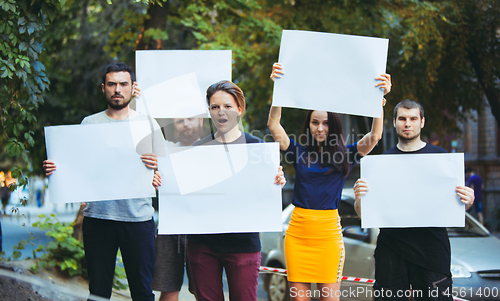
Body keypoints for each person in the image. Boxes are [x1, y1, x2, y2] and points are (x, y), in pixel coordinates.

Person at [267, 63, 392, 301]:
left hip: (329, 236)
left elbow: (375, 137)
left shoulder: (346, 154)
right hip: (297, 235)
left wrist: (379, 102)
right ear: (309, 125)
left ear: (333, 126)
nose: (320, 128)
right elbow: (274, 125)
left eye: (325, 123)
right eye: (315, 122)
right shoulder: (299, 152)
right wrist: (279, 91)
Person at [153, 80, 286, 301]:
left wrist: (278, 180)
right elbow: (182, 197)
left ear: (240, 109)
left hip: (243, 245)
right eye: (215, 107)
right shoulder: (197, 150)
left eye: (227, 106)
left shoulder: (258, 149)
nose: (221, 112)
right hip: (203, 246)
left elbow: (267, 191)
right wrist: (163, 182)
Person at [43, 62, 162, 301]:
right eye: (112, 84)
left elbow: (164, 168)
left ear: (132, 88)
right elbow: (77, 166)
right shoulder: (89, 123)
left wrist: (158, 173)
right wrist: (57, 168)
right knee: (98, 292)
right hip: (98, 220)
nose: (117, 89)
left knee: (142, 292)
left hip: (138, 219)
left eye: (123, 84)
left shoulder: (148, 124)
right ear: (103, 88)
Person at [353, 99, 475, 301]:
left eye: (413, 119)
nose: (407, 123)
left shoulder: (442, 159)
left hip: (432, 250)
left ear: (422, 122)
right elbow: (364, 214)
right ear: (394, 122)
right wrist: (359, 199)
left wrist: (468, 199)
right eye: (402, 118)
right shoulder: (379, 163)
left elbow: (458, 206)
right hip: (392, 249)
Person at [152, 117, 204, 301]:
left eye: (190, 119)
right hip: (170, 228)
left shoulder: (211, 151)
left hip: (202, 230)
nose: (186, 124)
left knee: (204, 291)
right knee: (168, 289)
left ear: (200, 121)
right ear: (173, 125)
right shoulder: (164, 150)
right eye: (180, 120)